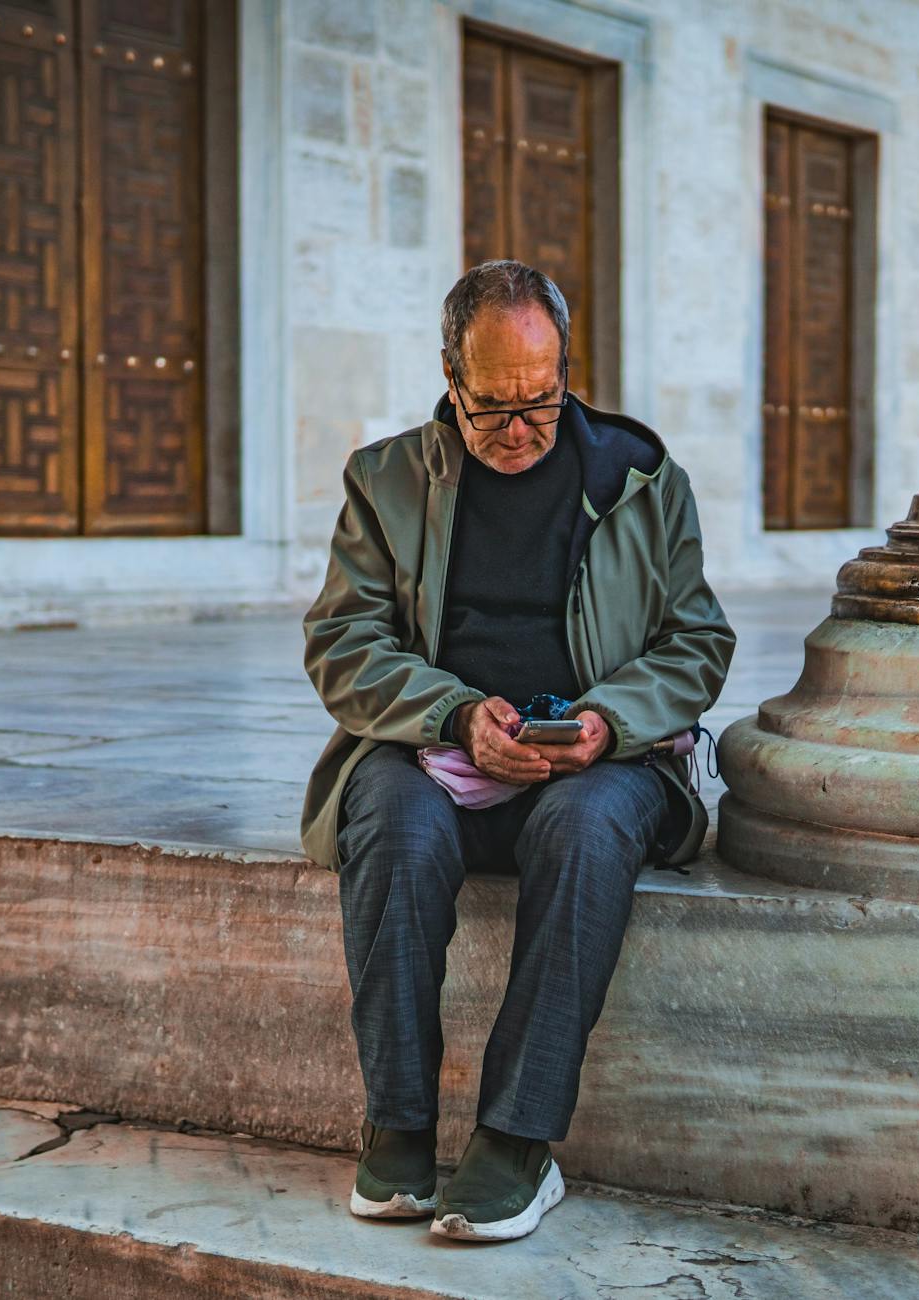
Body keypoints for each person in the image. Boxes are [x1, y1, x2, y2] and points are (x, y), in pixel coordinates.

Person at [300, 259, 736, 1242]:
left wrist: (607, 721)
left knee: (585, 827)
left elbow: (697, 642)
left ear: (565, 370)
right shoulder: (387, 482)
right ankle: (399, 1123)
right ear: (450, 378)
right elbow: (343, 645)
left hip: (599, 764)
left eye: (540, 401)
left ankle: (515, 1141)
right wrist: (457, 716)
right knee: (391, 819)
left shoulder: (642, 479)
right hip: (434, 753)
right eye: (493, 406)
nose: (519, 427)